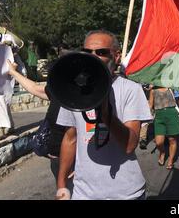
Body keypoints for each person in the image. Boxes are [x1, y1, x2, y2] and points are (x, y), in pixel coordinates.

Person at [55, 30, 153, 200]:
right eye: (87, 52)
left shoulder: (131, 90)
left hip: (126, 194)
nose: (93, 57)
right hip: (83, 194)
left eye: (101, 52)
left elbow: (130, 145)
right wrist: (61, 184)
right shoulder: (73, 91)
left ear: (116, 56)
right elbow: (70, 138)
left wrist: (106, 113)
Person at [5, 44, 74, 193]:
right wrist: (13, 72)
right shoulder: (58, 89)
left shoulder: (89, 97)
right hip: (56, 160)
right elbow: (35, 88)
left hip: (75, 163)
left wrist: (82, 164)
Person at [0, 17, 17, 139]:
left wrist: (9, 46)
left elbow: (16, 50)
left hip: (8, 72)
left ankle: (4, 127)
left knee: (3, 98)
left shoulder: (7, 38)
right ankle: (5, 126)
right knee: (0, 98)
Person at [149, 86, 179, 170]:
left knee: (172, 140)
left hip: (172, 115)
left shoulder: (170, 86)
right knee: (159, 142)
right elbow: (150, 105)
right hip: (159, 117)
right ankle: (162, 152)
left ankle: (170, 160)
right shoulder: (153, 89)